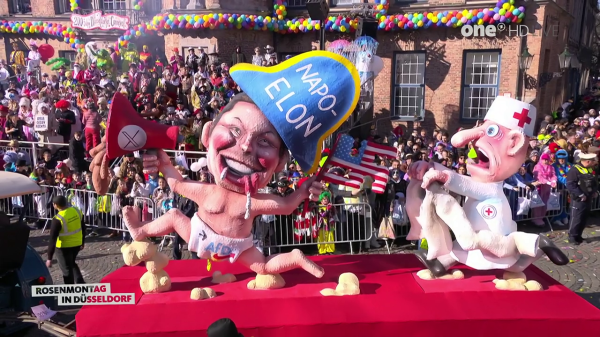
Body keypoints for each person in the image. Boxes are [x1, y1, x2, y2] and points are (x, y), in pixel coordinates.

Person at [46, 195, 86, 284]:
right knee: (72, 263)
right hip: (77, 244)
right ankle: (81, 284)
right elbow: (83, 227)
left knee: (66, 270)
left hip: (63, 247)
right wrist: (82, 242)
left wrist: (49, 258)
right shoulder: (77, 211)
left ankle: (69, 292)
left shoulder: (57, 219)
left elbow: (52, 239)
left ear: (55, 205)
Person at [565, 152, 598, 245]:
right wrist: (580, 194)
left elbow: (594, 182)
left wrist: (595, 191)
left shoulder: (590, 169)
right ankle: (572, 237)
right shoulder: (574, 170)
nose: (594, 163)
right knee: (576, 218)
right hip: (578, 199)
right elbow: (570, 184)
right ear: (588, 161)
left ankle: (578, 236)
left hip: (588, 198)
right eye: (593, 161)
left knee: (584, 218)